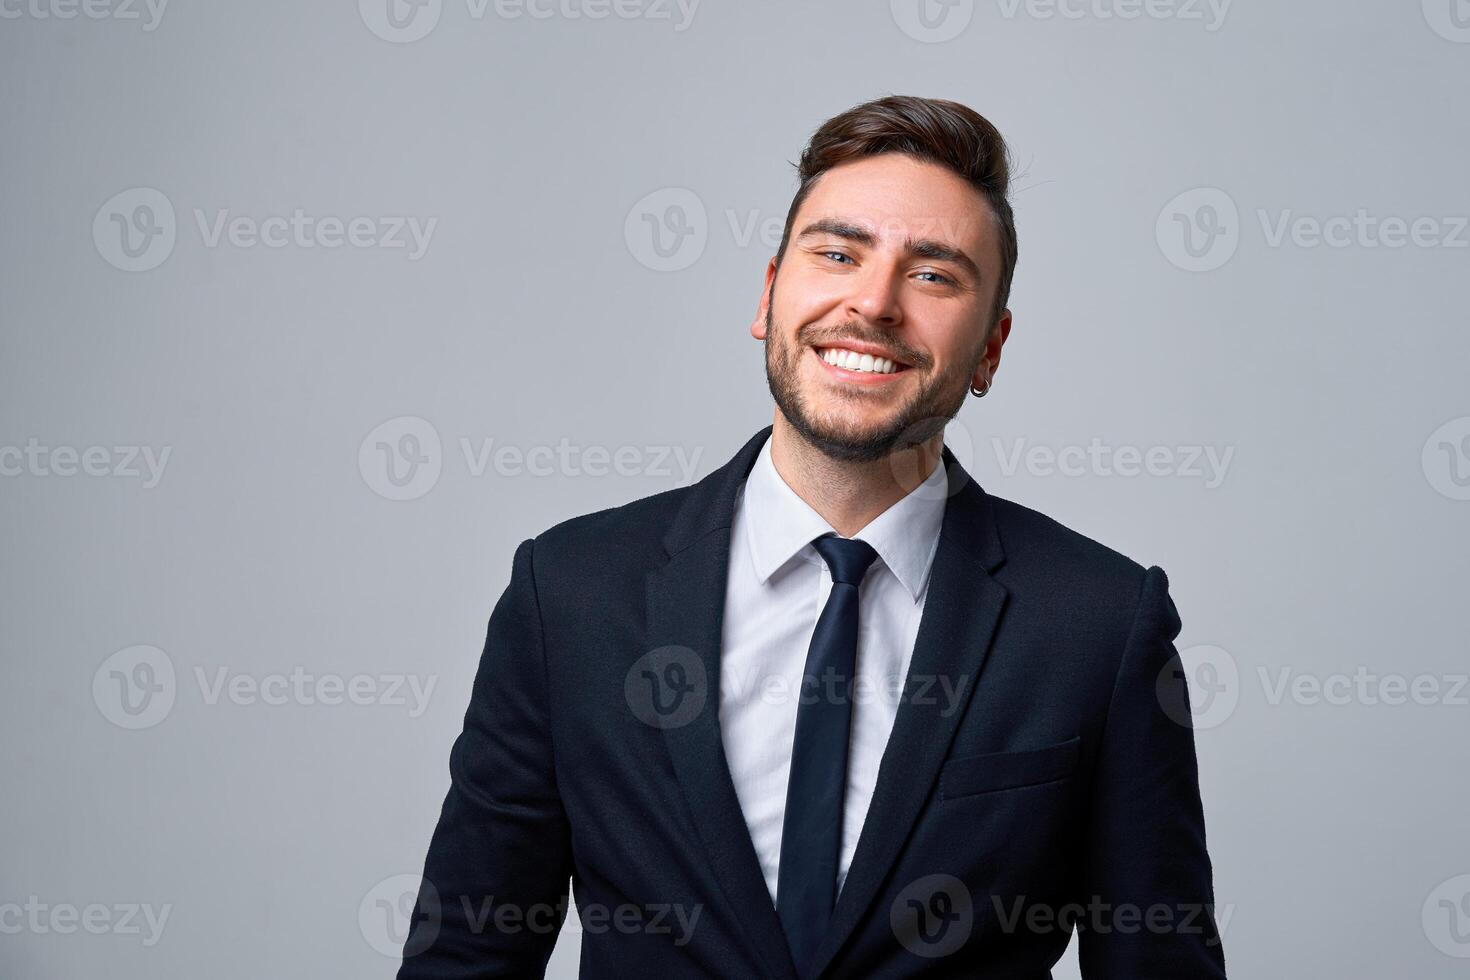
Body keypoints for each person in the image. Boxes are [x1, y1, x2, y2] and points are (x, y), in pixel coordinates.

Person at [396, 94, 1227, 979]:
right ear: (768, 295)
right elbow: (467, 957)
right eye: (837, 253)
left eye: (935, 275)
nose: (872, 303)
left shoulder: (1100, 623)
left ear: (990, 349)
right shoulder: (567, 594)